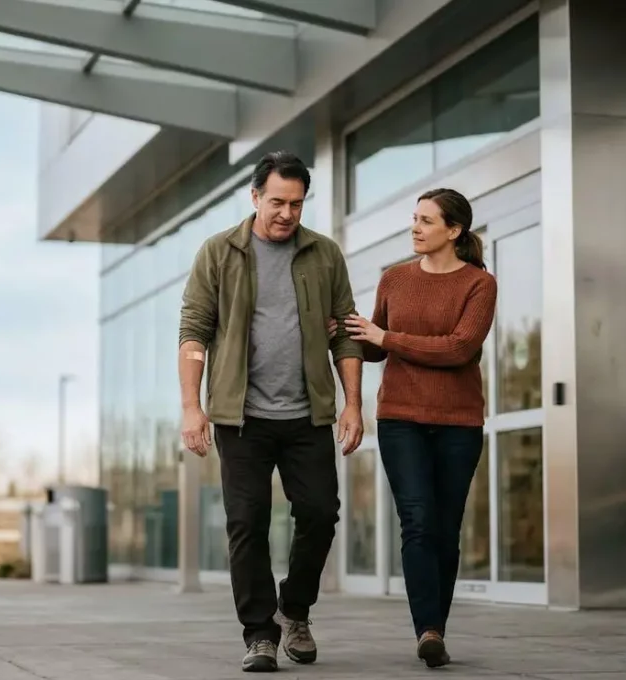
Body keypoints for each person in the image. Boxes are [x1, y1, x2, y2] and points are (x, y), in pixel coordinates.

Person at [178, 150, 364, 673]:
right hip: (242, 418)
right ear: (255, 196)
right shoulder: (219, 253)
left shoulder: (324, 255)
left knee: (321, 514)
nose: (286, 213)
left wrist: (353, 404)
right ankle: (259, 634)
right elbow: (193, 332)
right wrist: (192, 408)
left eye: (297, 204)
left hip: (308, 415)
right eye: (277, 202)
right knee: (247, 521)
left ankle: (295, 610)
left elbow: (346, 334)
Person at [341, 188, 496, 668]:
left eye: (426, 221)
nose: (415, 228)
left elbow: (458, 349)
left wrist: (387, 337)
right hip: (401, 418)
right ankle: (427, 630)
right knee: (418, 521)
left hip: (458, 423)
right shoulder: (394, 279)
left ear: (454, 231)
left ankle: (436, 627)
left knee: (446, 527)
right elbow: (378, 347)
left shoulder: (479, 284)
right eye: (414, 218)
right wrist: (350, 332)